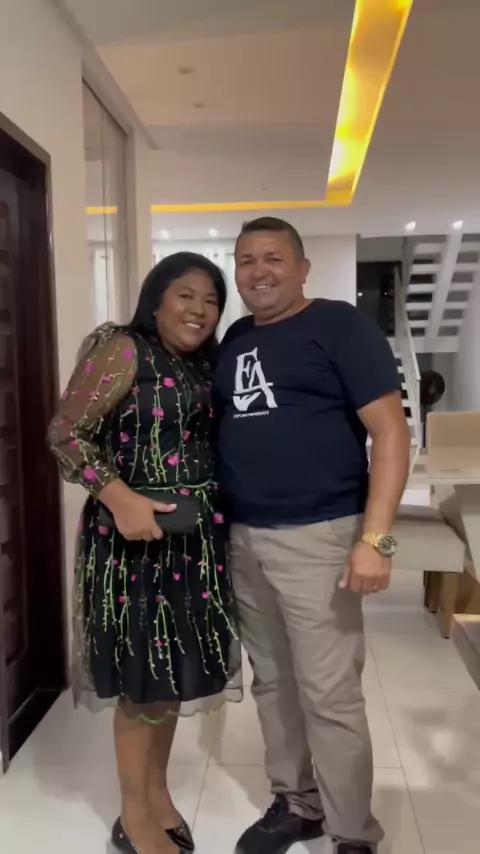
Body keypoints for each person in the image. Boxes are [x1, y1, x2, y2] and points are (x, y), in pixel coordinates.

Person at [214, 217, 411, 854]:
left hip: (321, 536)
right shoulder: (236, 338)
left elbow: (392, 433)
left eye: (273, 258)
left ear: (303, 268)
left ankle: (352, 832)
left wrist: (377, 541)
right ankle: (298, 803)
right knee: (273, 684)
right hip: (245, 538)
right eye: (246, 260)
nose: (259, 271)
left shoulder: (338, 326)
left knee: (329, 693)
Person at [49, 253, 241, 854]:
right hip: (132, 545)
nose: (199, 310)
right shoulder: (123, 349)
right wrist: (120, 497)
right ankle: (134, 816)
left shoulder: (201, 362)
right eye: (186, 295)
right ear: (156, 300)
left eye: (211, 300)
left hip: (194, 542)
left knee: (171, 678)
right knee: (142, 680)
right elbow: (65, 434)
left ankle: (157, 797)